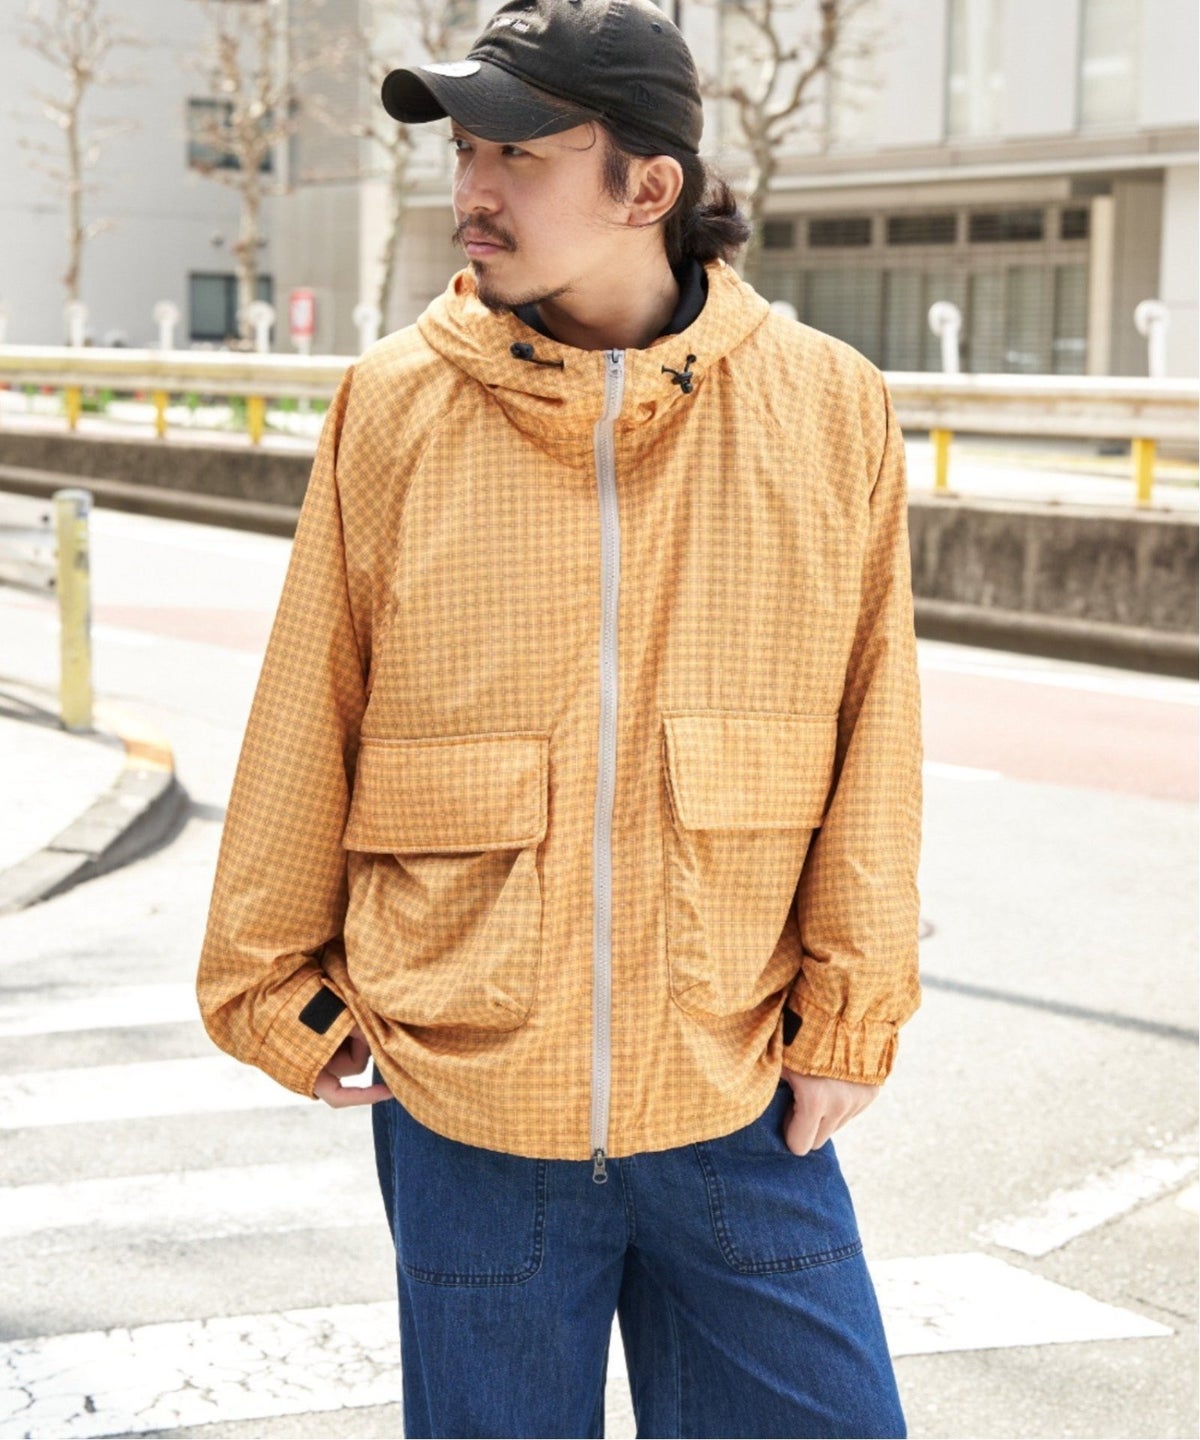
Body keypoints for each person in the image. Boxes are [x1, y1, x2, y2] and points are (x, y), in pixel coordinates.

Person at [196, 0, 924, 1433]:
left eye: (517, 155)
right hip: (472, 1105)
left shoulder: (828, 406)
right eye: (464, 151)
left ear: (648, 187)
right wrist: (272, 990)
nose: (473, 189)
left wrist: (851, 1015)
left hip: (734, 1090)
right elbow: (308, 704)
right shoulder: (393, 405)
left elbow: (875, 727)